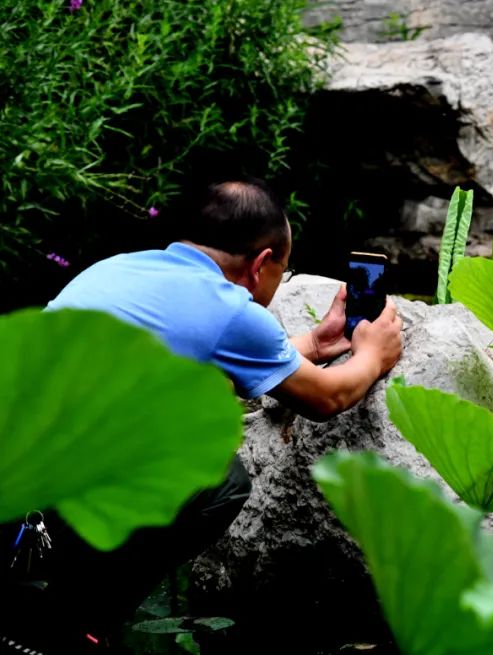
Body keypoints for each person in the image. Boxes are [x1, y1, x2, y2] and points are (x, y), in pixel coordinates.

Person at [1, 178, 402, 653]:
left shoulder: (119, 268)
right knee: (218, 478)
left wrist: (314, 344)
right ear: (261, 264)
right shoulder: (228, 308)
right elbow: (327, 399)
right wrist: (374, 356)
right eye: (284, 269)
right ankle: (75, 626)